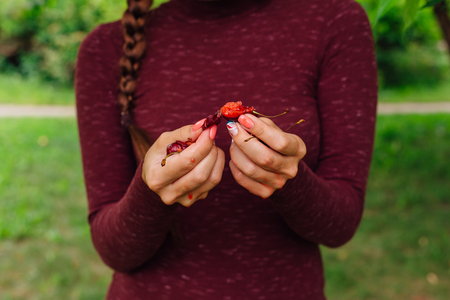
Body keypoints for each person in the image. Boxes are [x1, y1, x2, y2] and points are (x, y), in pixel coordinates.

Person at [75, 0, 378, 298]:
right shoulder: (104, 49)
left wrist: (290, 181)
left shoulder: (336, 21)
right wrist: (151, 193)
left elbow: (341, 223)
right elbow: (113, 250)